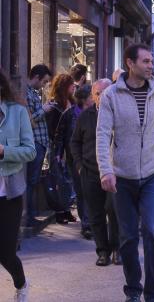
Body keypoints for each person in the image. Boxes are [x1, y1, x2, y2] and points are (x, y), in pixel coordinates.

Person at [97, 43, 154, 302]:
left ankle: (153, 293)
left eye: (152, 61)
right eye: (146, 61)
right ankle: (133, 290)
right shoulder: (111, 95)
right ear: (130, 63)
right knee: (128, 238)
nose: (151, 65)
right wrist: (105, 171)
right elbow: (103, 135)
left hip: (153, 172)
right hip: (123, 176)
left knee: (152, 230)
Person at [71, 79, 121, 267]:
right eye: (97, 93)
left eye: (105, 92)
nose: (101, 97)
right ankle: (102, 251)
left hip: (114, 171)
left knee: (114, 210)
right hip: (90, 171)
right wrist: (79, 165)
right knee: (95, 213)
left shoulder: (119, 113)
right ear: (92, 96)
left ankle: (117, 249)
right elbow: (75, 142)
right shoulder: (86, 117)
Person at [0, 70, 37, 301]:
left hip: (9, 193)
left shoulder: (17, 112)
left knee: (5, 251)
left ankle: (21, 283)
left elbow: (31, 151)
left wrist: (5, 151)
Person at [54, 84, 93, 238]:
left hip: (94, 158)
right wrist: (58, 153)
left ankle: (93, 221)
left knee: (92, 192)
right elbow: (60, 135)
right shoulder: (69, 114)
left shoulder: (97, 112)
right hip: (76, 159)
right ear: (84, 99)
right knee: (82, 191)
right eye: (92, 96)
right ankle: (87, 224)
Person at [45, 73, 76, 224]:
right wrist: (57, 152)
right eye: (71, 85)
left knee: (67, 180)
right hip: (58, 149)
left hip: (68, 148)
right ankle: (59, 211)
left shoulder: (69, 102)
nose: (74, 87)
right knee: (59, 180)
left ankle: (66, 209)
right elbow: (52, 132)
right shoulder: (54, 106)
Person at [25, 64, 52, 226]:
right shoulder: (27, 94)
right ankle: (29, 215)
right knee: (32, 180)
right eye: (44, 81)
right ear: (36, 77)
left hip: (40, 141)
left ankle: (31, 214)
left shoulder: (33, 93)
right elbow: (29, 120)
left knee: (33, 180)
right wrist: (44, 110)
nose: (44, 85)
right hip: (35, 141)